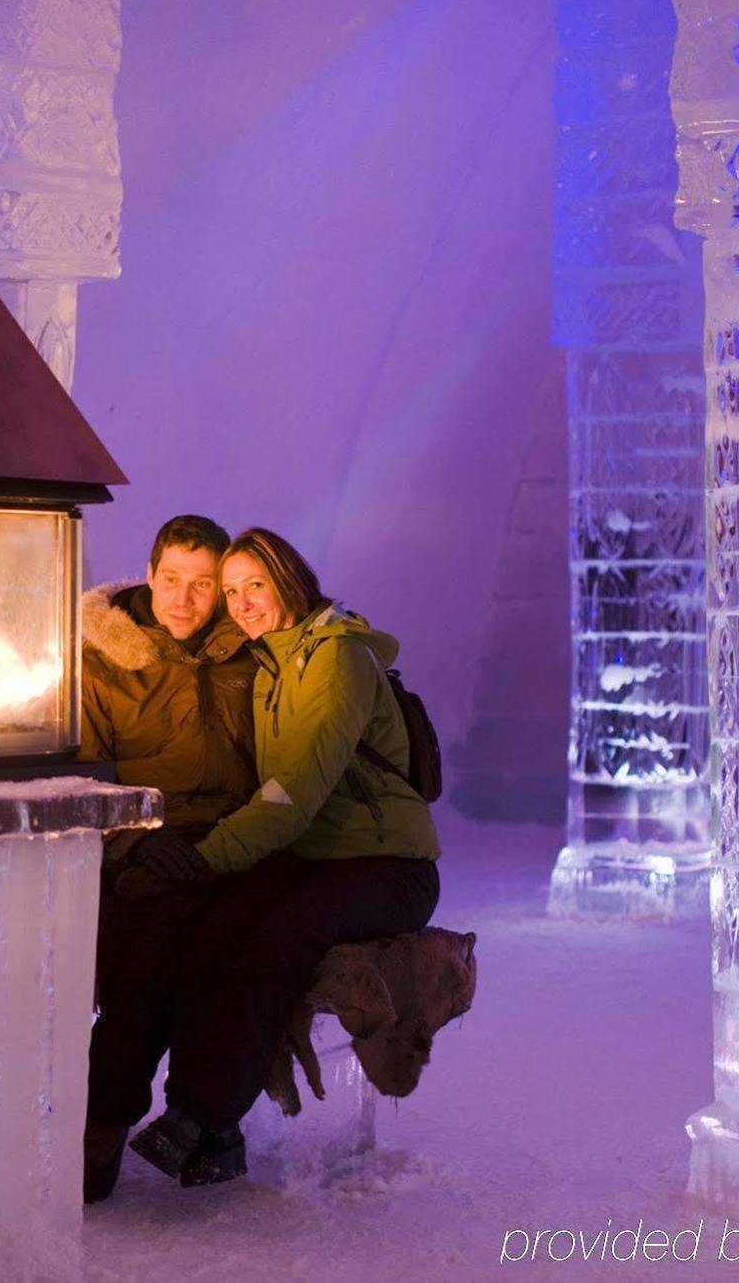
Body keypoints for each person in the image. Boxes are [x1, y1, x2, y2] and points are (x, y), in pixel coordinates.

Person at [119, 526, 441, 1188]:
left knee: (280, 930)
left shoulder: (336, 660)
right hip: (321, 858)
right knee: (216, 922)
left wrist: (208, 856)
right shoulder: (272, 667)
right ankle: (218, 1132)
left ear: (288, 578)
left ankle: (197, 1113)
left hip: (391, 868)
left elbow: (290, 795)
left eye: (254, 585)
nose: (241, 603)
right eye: (230, 591)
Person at [79, 513, 257, 1203]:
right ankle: (104, 1121)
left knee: (228, 944)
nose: (183, 599)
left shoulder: (250, 653)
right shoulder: (105, 661)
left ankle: (210, 1119)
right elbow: (88, 778)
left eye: (202, 584)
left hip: (235, 848)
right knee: (147, 951)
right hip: (144, 849)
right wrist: (138, 840)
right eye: (172, 579)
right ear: (149, 575)